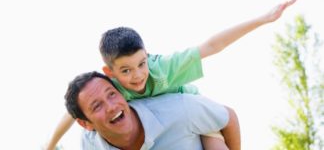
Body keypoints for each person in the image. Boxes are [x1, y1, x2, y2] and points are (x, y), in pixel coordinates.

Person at [46, 0, 297, 150]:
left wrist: (263, 19)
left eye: (142, 63)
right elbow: (73, 112)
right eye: (126, 70)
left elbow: (211, 46)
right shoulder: (109, 91)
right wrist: (49, 146)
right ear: (109, 72)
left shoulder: (163, 68)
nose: (137, 76)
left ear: (147, 55)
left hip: (195, 116)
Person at [65, 71, 235, 150]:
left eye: (111, 94)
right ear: (85, 124)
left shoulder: (181, 109)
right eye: (97, 106)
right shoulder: (90, 143)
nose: (111, 107)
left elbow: (229, 118)